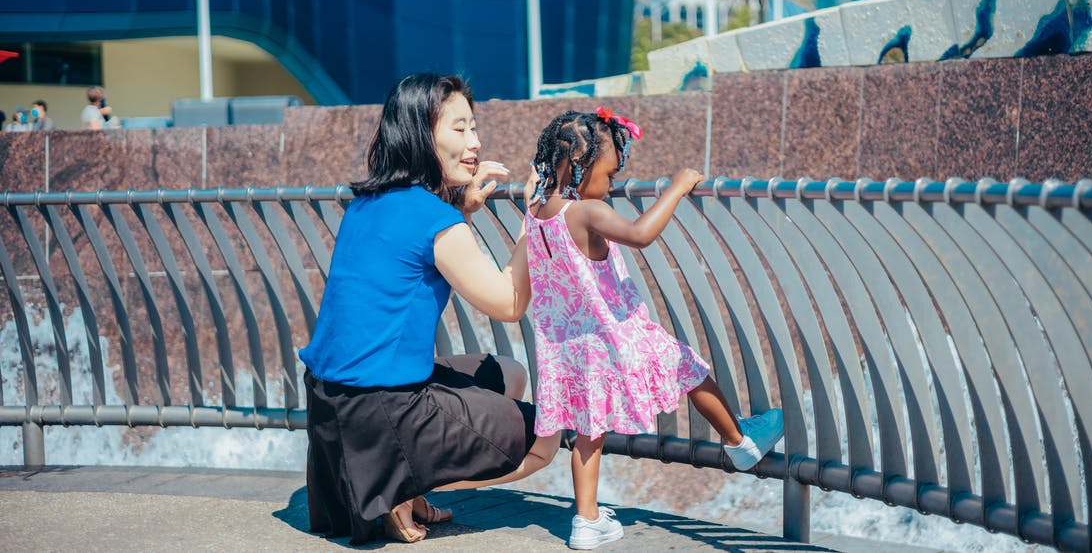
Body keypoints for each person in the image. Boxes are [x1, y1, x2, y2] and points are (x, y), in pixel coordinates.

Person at [298, 73, 560, 545]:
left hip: (334, 406)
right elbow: (510, 303)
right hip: (385, 410)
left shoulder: (368, 204)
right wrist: (533, 218)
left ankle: (404, 487)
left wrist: (463, 209)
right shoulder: (434, 218)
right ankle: (396, 487)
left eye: (474, 128)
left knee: (509, 373)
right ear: (421, 134)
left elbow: (414, 249)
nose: (475, 143)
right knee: (546, 440)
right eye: (459, 130)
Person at [524, 107, 785, 550]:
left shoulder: (536, 210)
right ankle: (741, 442)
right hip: (617, 333)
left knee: (589, 430)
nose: (611, 186)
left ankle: (586, 521)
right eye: (608, 176)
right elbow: (641, 234)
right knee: (689, 368)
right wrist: (678, 188)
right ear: (579, 167)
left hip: (573, 344)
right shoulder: (587, 212)